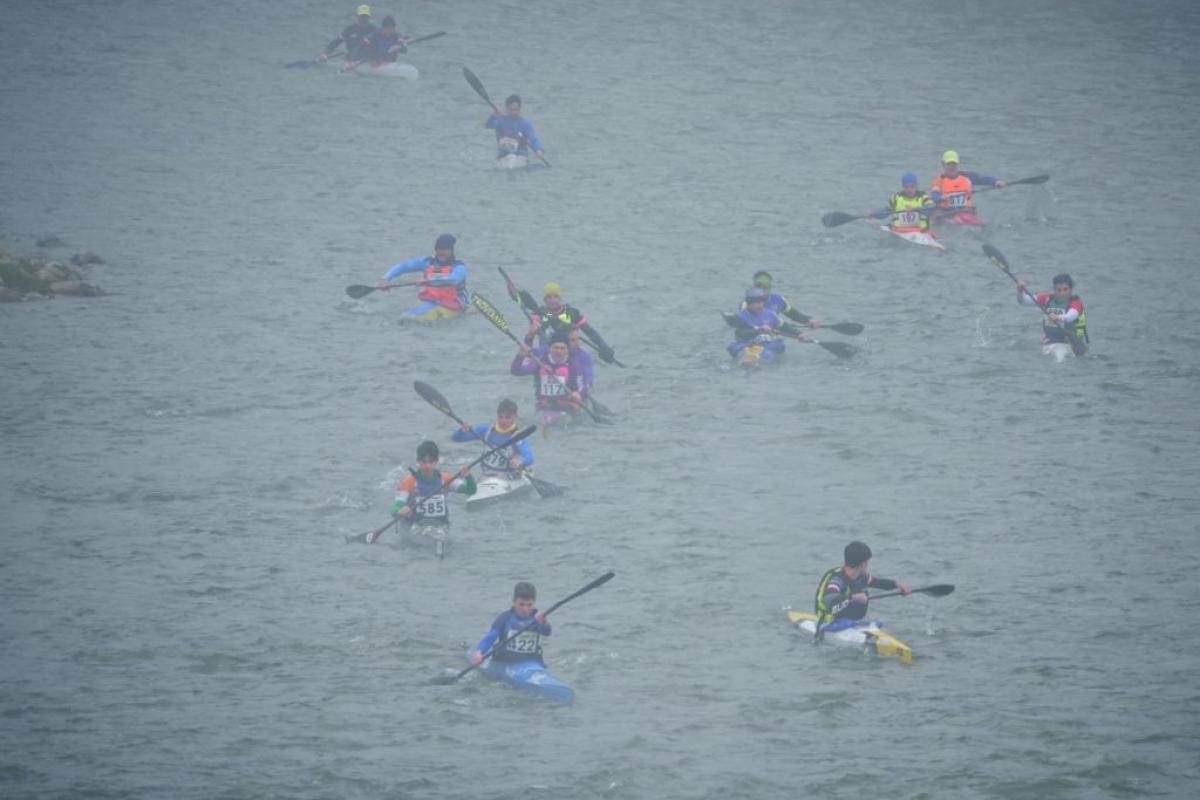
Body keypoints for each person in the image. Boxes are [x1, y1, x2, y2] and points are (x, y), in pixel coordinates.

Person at [367, 440, 476, 543]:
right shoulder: (408, 482)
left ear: (436, 462)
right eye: (424, 462)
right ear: (418, 462)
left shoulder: (445, 479)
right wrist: (399, 511)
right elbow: (395, 508)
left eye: (431, 462)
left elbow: (471, 490)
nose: (427, 466)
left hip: (440, 526)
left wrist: (468, 476)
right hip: (415, 526)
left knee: (439, 533)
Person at [814, 541, 911, 633]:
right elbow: (829, 598)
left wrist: (897, 584)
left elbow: (877, 582)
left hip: (851, 622)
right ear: (862, 564)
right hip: (828, 623)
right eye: (867, 562)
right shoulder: (837, 579)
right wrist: (854, 597)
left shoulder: (861, 577)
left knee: (881, 624)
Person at [378, 233, 469, 321]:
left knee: (414, 319)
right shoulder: (427, 262)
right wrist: (385, 279)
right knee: (405, 317)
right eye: (439, 249)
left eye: (445, 249)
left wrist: (427, 281)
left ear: (451, 250)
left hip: (453, 303)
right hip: (432, 301)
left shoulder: (459, 267)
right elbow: (404, 266)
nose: (441, 252)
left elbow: (451, 280)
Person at [521, 282, 616, 363]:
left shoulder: (571, 312)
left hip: (571, 355)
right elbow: (530, 335)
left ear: (560, 298)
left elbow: (589, 332)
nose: (552, 300)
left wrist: (603, 347)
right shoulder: (539, 313)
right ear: (544, 300)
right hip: (548, 356)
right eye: (549, 297)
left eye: (555, 297)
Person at [510, 332, 583, 428]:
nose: (559, 351)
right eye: (555, 348)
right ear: (550, 349)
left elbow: (580, 387)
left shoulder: (573, 366)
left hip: (565, 409)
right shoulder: (539, 363)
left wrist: (577, 394)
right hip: (543, 409)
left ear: (567, 350)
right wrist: (520, 355)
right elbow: (516, 371)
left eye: (562, 348)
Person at [470, 582, 551, 666]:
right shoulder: (504, 618)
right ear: (513, 602)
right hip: (504, 662)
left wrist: (544, 622)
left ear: (534, 603)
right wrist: (479, 652)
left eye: (529, 605)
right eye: (521, 604)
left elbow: (546, 632)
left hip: (530, 662)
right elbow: (490, 638)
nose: (525, 609)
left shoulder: (538, 619)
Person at [450, 399, 534, 478]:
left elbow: (530, 457)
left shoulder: (518, 436)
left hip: (508, 478)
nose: (503, 421)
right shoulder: (486, 430)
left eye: (507, 417)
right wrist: (462, 431)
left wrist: (520, 460)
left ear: (515, 417)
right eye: (500, 417)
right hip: (486, 477)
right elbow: (455, 438)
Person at [727, 287, 807, 366]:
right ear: (749, 304)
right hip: (746, 344)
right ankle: (749, 361)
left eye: (762, 302)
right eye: (757, 303)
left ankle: (757, 362)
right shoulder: (741, 316)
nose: (761, 305)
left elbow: (784, 326)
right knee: (736, 349)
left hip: (765, 345)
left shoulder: (769, 314)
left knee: (772, 349)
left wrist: (799, 334)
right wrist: (759, 330)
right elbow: (741, 332)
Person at [1016, 272, 1088, 355]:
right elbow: (1023, 301)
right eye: (1059, 290)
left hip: (1070, 343)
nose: (1062, 293)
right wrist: (1020, 291)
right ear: (1054, 289)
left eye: (1065, 289)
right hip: (1050, 341)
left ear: (1071, 289)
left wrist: (1058, 317)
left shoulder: (1075, 303)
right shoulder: (1046, 298)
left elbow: (1071, 316)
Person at [928, 150, 1007, 224]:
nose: (952, 167)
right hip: (946, 212)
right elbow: (935, 195)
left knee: (979, 224)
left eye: (954, 164)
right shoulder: (938, 181)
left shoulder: (968, 177)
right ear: (943, 164)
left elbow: (983, 179)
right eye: (949, 164)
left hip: (965, 211)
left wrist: (996, 181)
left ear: (958, 164)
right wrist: (941, 198)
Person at [745, 271, 821, 329]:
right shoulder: (747, 302)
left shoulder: (778, 300)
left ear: (770, 287)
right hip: (750, 336)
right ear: (755, 287)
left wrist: (808, 321)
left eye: (766, 287)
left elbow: (793, 314)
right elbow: (743, 322)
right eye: (759, 286)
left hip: (771, 334)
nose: (763, 290)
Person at [867, 172, 936, 235]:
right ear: (903, 187)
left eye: (912, 186)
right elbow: (885, 212)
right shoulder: (895, 198)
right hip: (899, 231)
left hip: (921, 232)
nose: (909, 189)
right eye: (906, 187)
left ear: (916, 186)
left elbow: (931, 208)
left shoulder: (924, 197)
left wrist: (916, 209)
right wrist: (873, 214)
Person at [485, 94, 545, 161]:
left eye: (516, 110)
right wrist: (493, 116)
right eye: (511, 110)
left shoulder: (525, 123)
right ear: (506, 109)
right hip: (503, 153)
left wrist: (539, 150)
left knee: (519, 155)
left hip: (521, 153)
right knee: (507, 155)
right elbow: (489, 125)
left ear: (520, 109)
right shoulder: (500, 120)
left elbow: (533, 138)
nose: (514, 112)